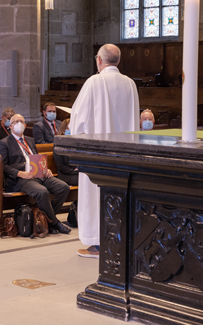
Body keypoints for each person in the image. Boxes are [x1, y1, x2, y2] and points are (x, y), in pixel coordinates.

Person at [70, 44, 139, 258]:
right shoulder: (130, 84)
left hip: (97, 154)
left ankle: (98, 243)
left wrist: (76, 144)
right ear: (118, 60)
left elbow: (78, 120)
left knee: (96, 196)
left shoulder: (94, 82)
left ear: (99, 60)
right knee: (119, 196)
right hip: (124, 153)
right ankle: (119, 240)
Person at [0, 114, 71, 234]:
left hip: (38, 174)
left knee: (63, 187)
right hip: (20, 179)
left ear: (25, 125)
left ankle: (47, 220)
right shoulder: (4, 143)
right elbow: (3, 166)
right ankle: (55, 223)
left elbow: (36, 159)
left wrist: (45, 169)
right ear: (10, 126)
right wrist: (19, 173)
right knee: (42, 192)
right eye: (16, 121)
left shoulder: (30, 140)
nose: (19, 124)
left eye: (21, 121)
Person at [53, 119, 78, 186]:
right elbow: (61, 166)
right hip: (65, 175)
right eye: (68, 128)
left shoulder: (76, 143)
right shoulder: (58, 145)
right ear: (63, 130)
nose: (71, 130)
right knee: (82, 181)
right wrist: (75, 171)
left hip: (77, 172)